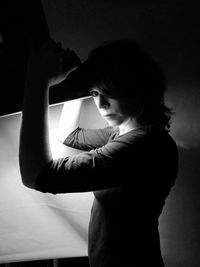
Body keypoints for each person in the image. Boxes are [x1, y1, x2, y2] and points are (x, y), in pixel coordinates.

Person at [19, 39, 178, 267]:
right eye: (94, 93)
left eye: (110, 92)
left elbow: (36, 175)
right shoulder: (123, 133)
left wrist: (36, 81)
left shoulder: (142, 147)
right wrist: (74, 77)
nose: (101, 104)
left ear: (137, 87)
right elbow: (69, 135)